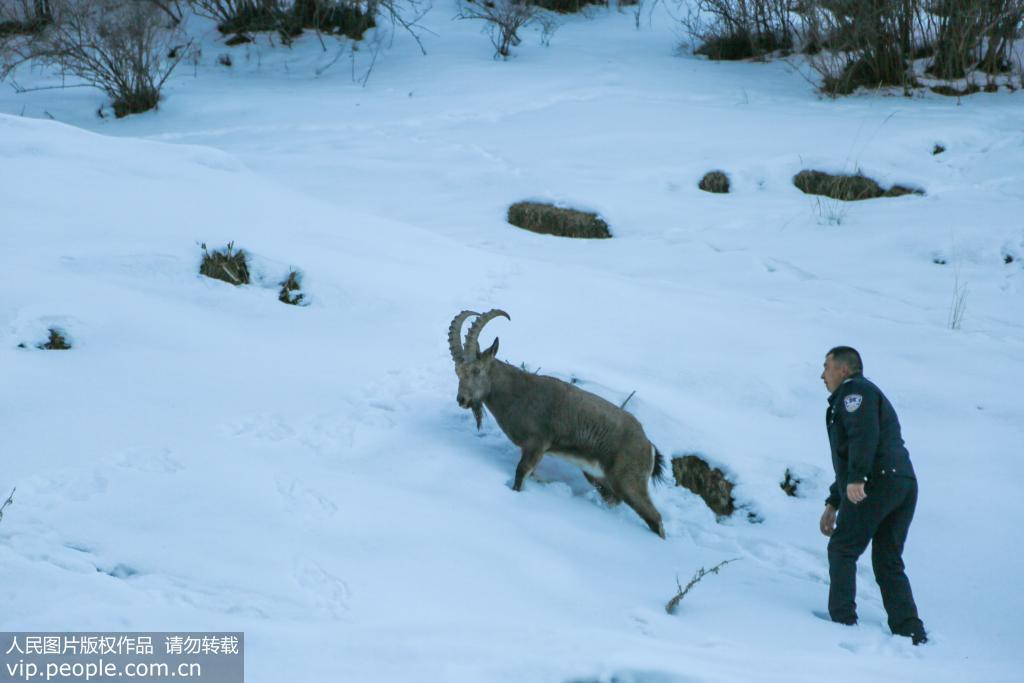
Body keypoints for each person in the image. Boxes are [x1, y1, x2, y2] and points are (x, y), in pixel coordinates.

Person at [819, 346, 927, 645]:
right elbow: (854, 451)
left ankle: (842, 622)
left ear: (844, 369)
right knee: (887, 560)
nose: (822, 374)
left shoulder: (855, 393)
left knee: (842, 548)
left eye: (826, 366)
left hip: (877, 481)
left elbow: (862, 436)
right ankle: (911, 631)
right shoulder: (864, 394)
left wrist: (857, 478)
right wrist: (834, 501)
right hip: (901, 482)